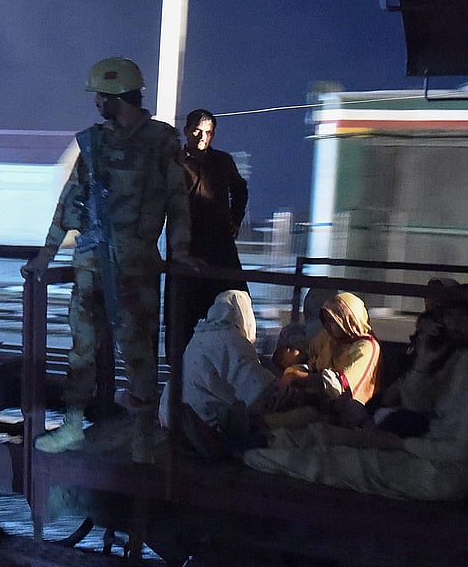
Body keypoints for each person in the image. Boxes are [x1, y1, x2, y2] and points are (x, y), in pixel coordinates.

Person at [22, 57, 195, 463]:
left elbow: (178, 203)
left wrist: (181, 252)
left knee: (139, 353)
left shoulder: (160, 142)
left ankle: (143, 434)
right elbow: (69, 201)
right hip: (91, 265)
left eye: (101, 95)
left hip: (136, 267)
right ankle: (72, 426)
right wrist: (45, 256)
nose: (96, 101)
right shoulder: (94, 143)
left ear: (119, 96)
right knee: (82, 348)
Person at [243, 291, 468, 501]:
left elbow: (460, 449)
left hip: (444, 472)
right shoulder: (453, 357)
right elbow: (417, 402)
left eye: (458, 318)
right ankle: (265, 442)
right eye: (448, 317)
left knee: (346, 463)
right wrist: (423, 363)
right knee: (327, 436)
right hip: (422, 448)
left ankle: (253, 457)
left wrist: (398, 444)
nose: (449, 324)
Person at [163, 109, 249, 364]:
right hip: (185, 246)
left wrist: (235, 219)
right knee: (183, 313)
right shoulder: (175, 163)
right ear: (187, 131)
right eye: (197, 132)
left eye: (208, 133)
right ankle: (180, 371)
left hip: (219, 246)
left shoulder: (222, 162)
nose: (202, 138)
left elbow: (240, 188)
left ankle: (227, 362)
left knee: (228, 302)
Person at [159, 290, 276, 458]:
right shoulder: (232, 339)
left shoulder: (200, 336)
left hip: (169, 417)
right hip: (201, 426)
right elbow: (259, 387)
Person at [271, 291, 382, 408]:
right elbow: (310, 359)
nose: (327, 325)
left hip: (349, 408)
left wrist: (296, 377)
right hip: (320, 400)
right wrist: (292, 371)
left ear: (348, 320)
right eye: (326, 320)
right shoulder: (329, 338)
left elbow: (340, 384)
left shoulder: (366, 347)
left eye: (333, 320)